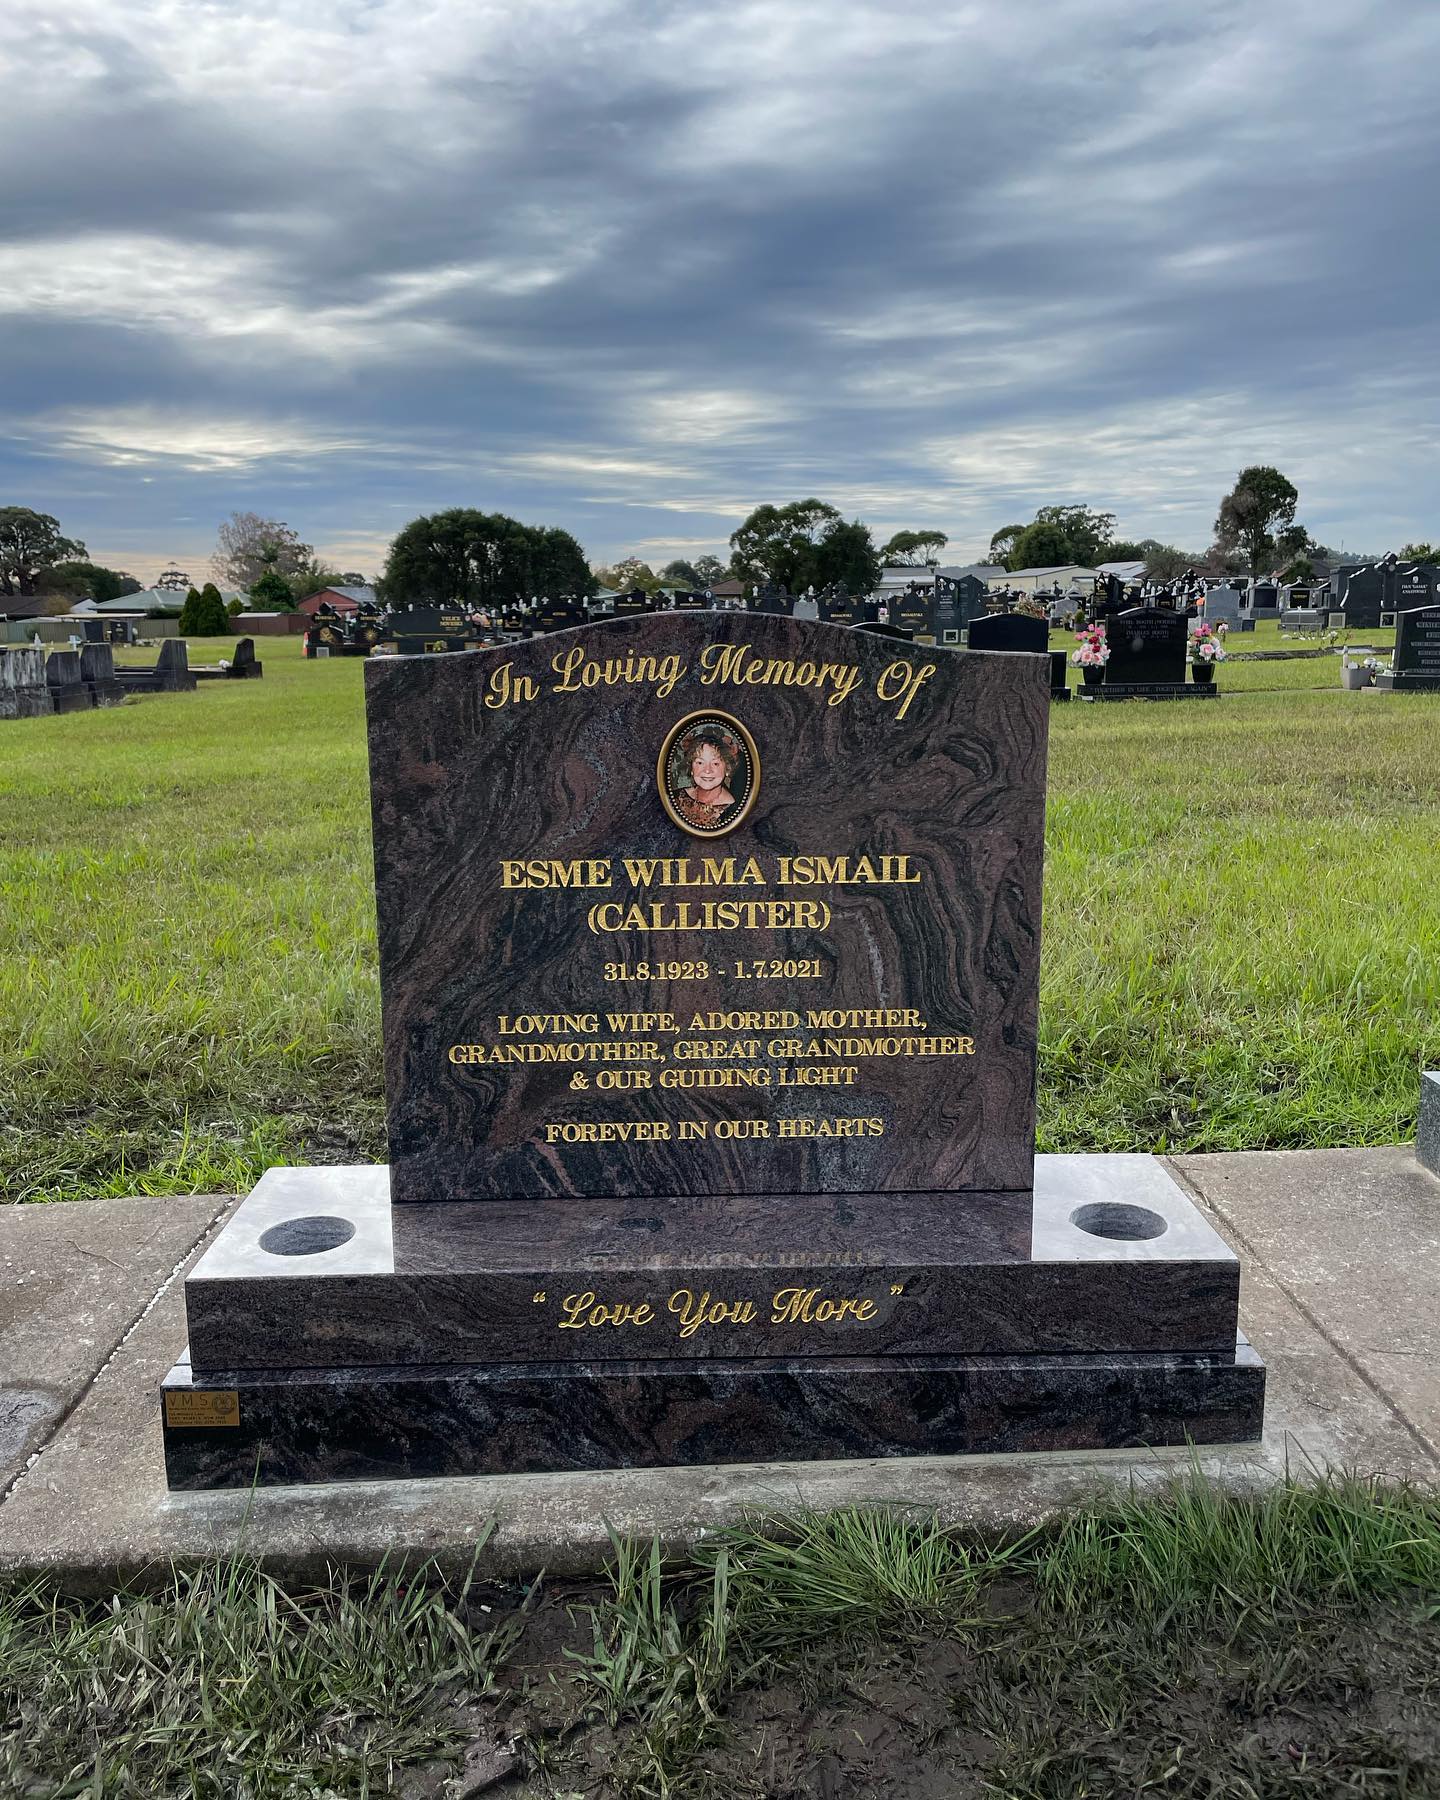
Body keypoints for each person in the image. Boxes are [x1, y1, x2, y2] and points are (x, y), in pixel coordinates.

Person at [672, 727, 741, 827]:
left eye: (715, 764)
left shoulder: (734, 812)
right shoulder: (675, 797)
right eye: (700, 763)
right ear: (691, 768)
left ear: (727, 769)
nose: (707, 770)